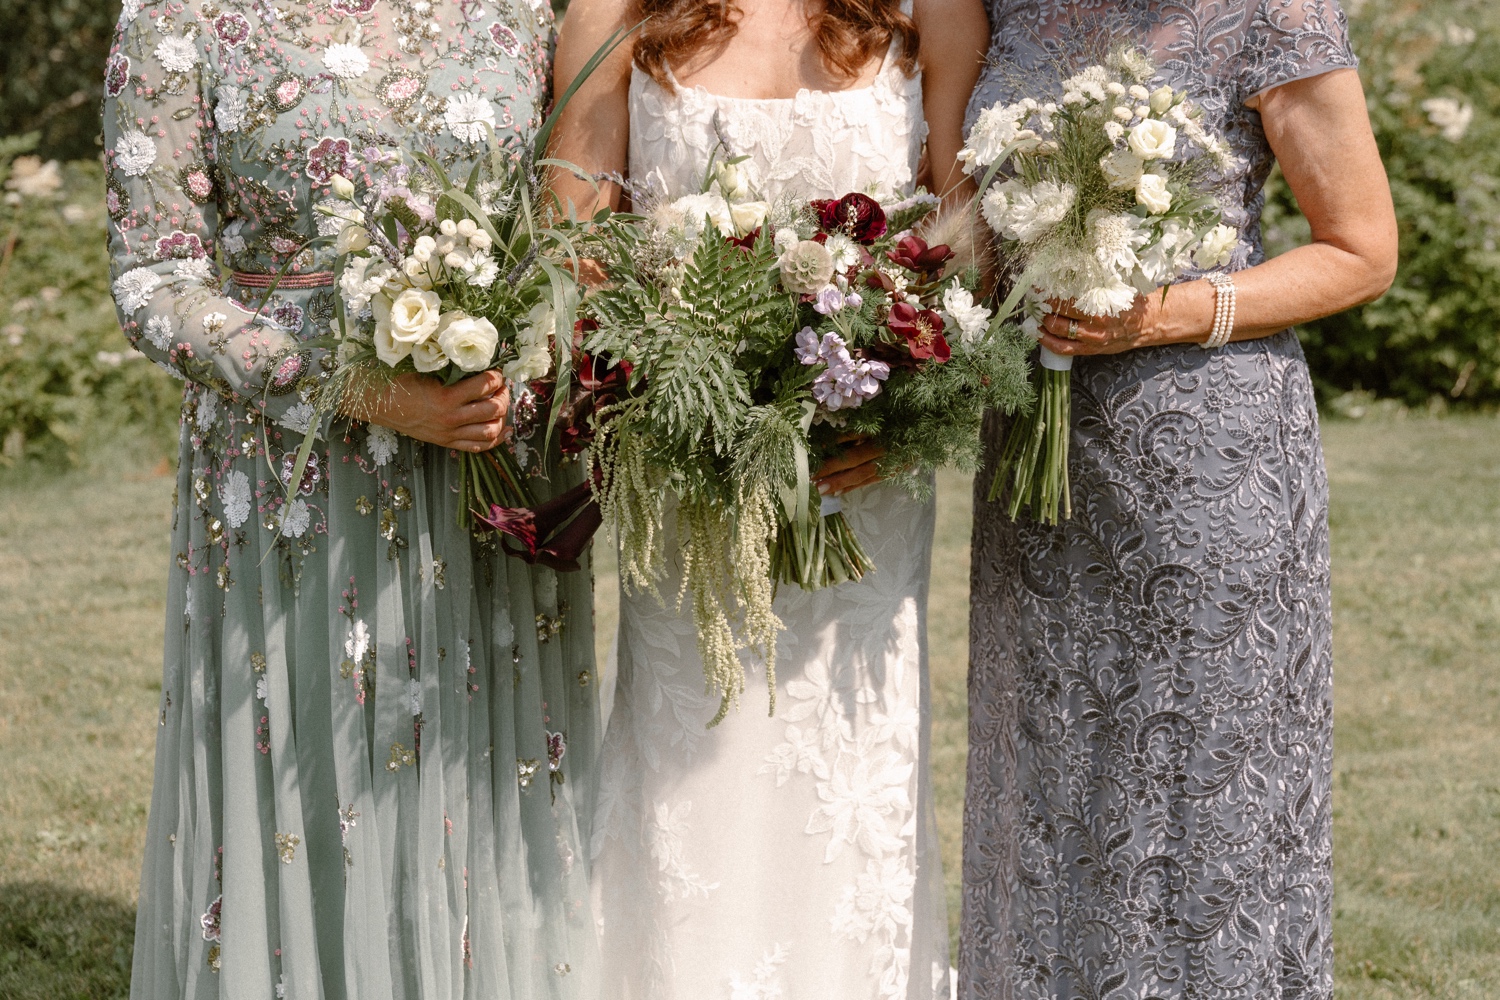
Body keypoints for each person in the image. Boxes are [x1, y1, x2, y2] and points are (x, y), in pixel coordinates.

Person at [103, 2, 602, 995]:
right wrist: (355, 388)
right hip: (294, 472)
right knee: (321, 764)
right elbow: (154, 279)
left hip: (482, 462)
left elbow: (566, 227)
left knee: (471, 772)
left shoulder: (515, 12)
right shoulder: (179, 16)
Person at [547, 0, 988, 994]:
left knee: (852, 762)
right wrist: (672, 382)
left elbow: (962, 233)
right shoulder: (616, 11)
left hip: (862, 482)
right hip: (693, 467)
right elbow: (574, 239)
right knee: (696, 757)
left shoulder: (933, 9)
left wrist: (904, 403)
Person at [961, 2, 1397, 997]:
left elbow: (1364, 248)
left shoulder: (1272, 11)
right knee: (1052, 784)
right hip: (1042, 459)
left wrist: (1164, 314)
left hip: (1213, 457)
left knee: (1202, 800)